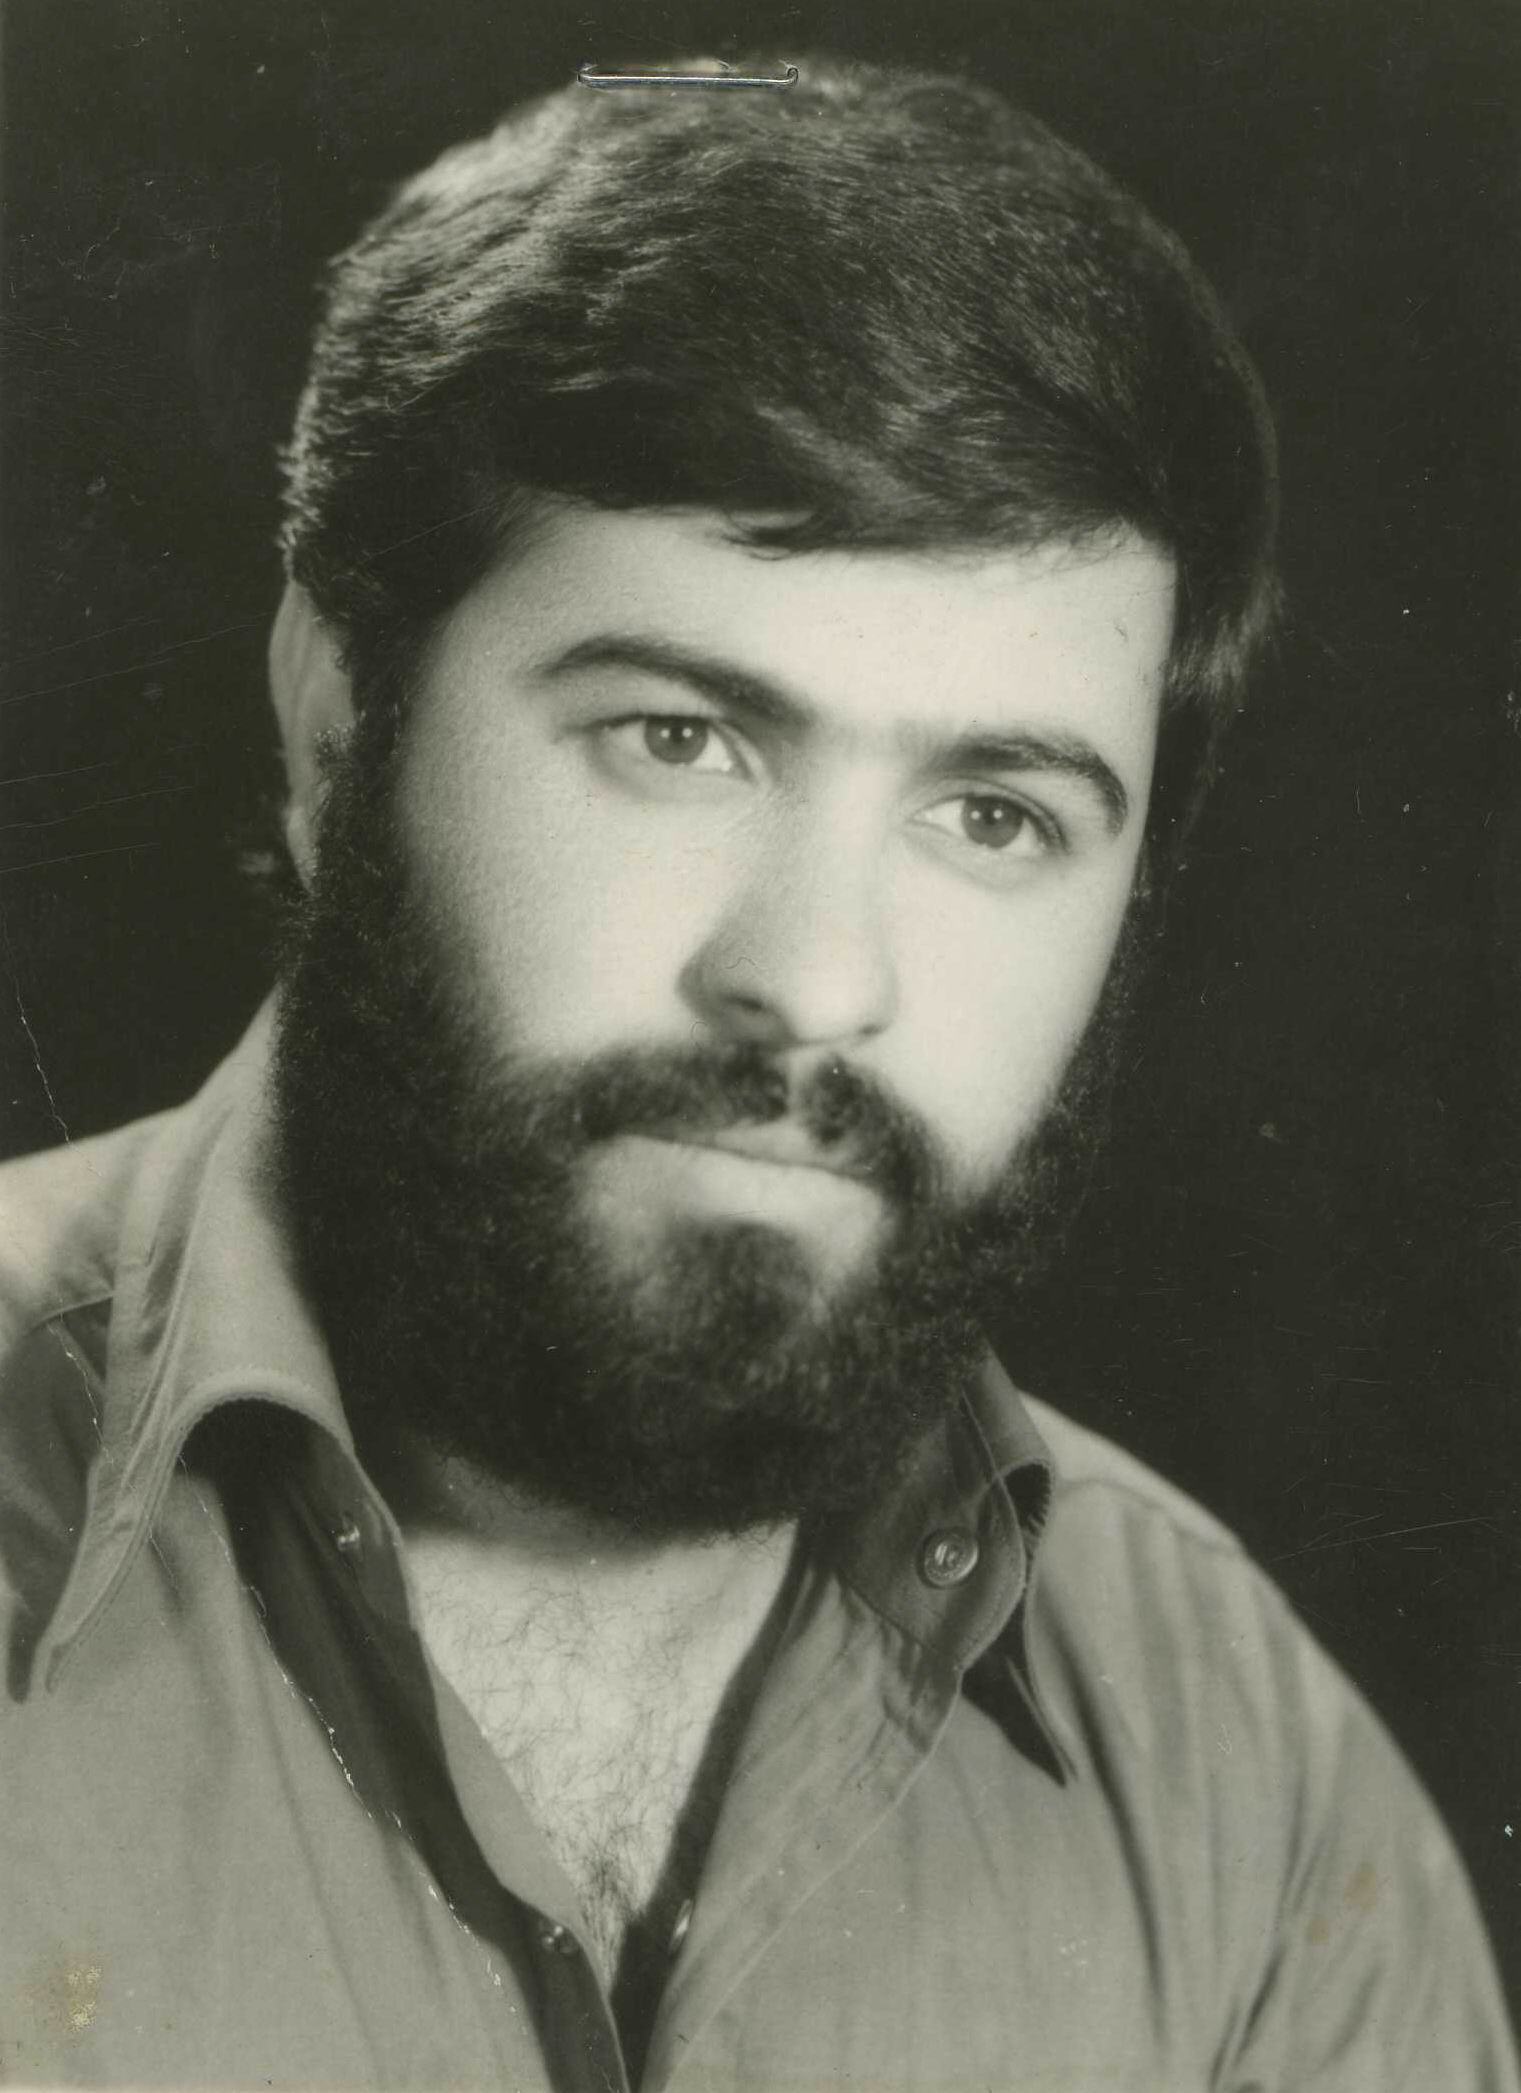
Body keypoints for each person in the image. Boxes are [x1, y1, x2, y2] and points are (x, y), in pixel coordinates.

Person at [0, 54, 1513, 2093]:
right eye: (678, 739)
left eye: (992, 816)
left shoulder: (1250, 1792)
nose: (812, 984)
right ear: (337, 719)